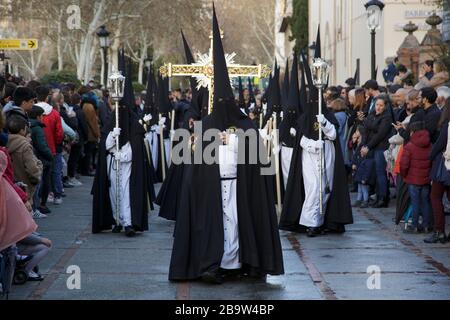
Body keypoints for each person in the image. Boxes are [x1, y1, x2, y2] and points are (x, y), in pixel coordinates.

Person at [169, 7, 284, 283]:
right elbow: (195, 162)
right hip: (212, 187)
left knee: (236, 227)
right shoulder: (206, 124)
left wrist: (232, 140)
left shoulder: (245, 125)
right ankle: (213, 264)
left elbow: (257, 154)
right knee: (215, 227)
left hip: (239, 185)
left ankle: (240, 263)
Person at [92, 61, 154, 237]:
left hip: (127, 165)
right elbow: (104, 146)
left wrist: (124, 155)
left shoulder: (134, 126)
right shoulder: (113, 121)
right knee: (114, 192)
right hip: (112, 162)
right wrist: (112, 137)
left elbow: (136, 149)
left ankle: (128, 221)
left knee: (126, 192)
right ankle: (116, 220)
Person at [6, 116, 43, 218]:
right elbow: (32, 167)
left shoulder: (5, 142)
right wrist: (37, 176)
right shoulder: (25, 145)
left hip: (12, 182)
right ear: (23, 130)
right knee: (26, 210)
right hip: (25, 183)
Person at [399, 121, 432, 233]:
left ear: (412, 132)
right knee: (425, 202)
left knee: (415, 202)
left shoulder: (409, 146)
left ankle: (414, 225)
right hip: (426, 179)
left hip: (413, 180)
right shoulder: (430, 145)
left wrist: (404, 175)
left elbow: (403, 165)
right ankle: (427, 225)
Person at [361, 94, 393, 208]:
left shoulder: (387, 117)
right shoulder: (372, 114)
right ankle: (377, 196)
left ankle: (383, 198)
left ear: (385, 106)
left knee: (381, 174)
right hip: (371, 147)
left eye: (381, 105)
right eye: (377, 105)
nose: (378, 107)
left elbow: (380, 134)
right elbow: (365, 130)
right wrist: (364, 145)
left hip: (381, 147)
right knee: (374, 173)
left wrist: (368, 146)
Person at [425, 97, 450, 244]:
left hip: (444, 166)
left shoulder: (447, 125)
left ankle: (439, 231)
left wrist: (430, 156)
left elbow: (439, 145)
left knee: (435, 197)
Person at [35, 86, 64, 208]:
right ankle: (47, 199)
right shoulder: (55, 113)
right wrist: (57, 143)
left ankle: (36, 201)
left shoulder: (32, 111)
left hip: (35, 148)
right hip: (51, 147)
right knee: (49, 174)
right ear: (47, 97)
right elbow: (59, 133)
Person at [28, 105, 53, 218]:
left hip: (34, 157)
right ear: (38, 117)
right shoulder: (37, 128)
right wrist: (50, 156)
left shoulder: (30, 125)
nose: (43, 118)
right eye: (42, 116)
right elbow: (42, 146)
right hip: (39, 158)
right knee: (40, 183)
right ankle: (37, 207)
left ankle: (36, 207)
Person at [351, 126, 374, 208]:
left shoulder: (363, 144)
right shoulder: (358, 142)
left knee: (364, 188)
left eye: (357, 131)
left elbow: (358, 155)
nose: (355, 132)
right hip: (359, 168)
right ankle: (359, 200)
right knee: (360, 187)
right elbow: (354, 153)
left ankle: (365, 200)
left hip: (362, 168)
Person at [79, 88, 100, 176]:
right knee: (88, 153)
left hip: (87, 133)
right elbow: (93, 122)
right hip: (90, 134)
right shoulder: (90, 107)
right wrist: (97, 134)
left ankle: (86, 169)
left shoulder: (85, 105)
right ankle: (86, 170)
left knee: (87, 152)